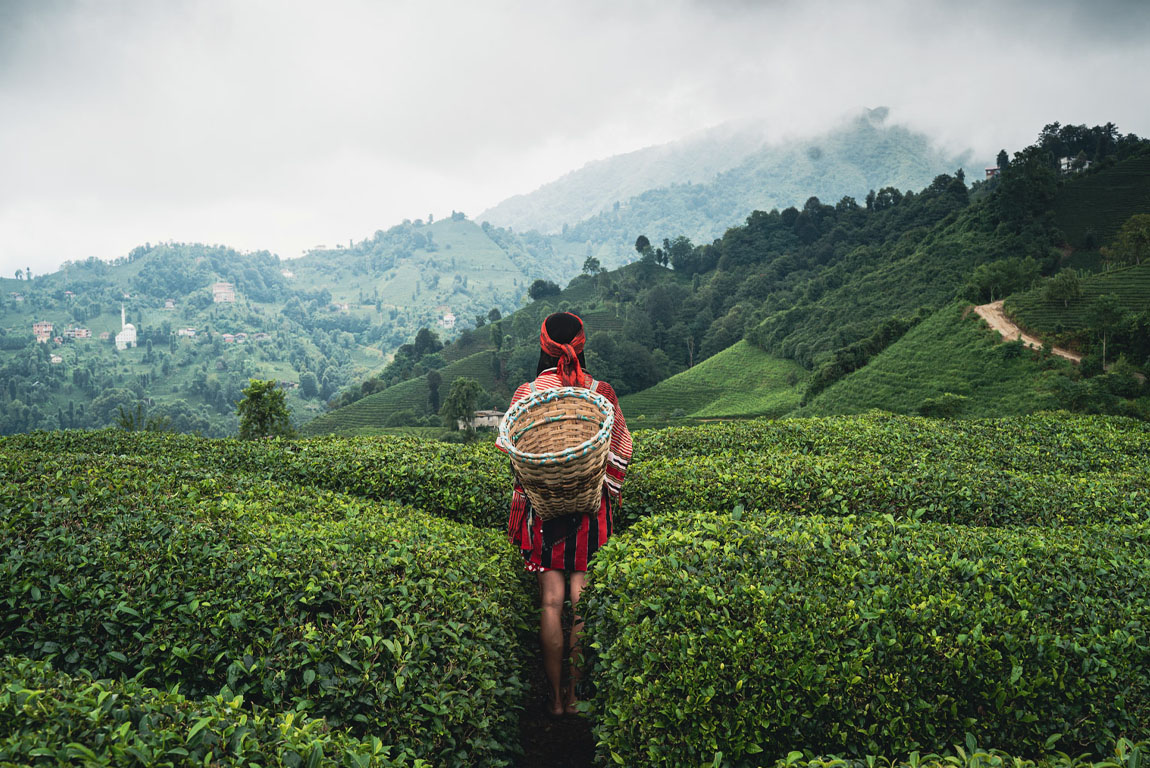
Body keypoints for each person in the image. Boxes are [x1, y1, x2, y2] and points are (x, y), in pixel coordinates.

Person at [502, 312, 632, 716]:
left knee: (552, 601)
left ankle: (555, 701)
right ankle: (577, 697)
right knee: (582, 599)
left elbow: (515, 453)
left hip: (544, 512)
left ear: (542, 347)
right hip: (591, 512)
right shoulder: (600, 391)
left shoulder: (526, 393)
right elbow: (621, 448)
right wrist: (602, 485)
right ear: (581, 345)